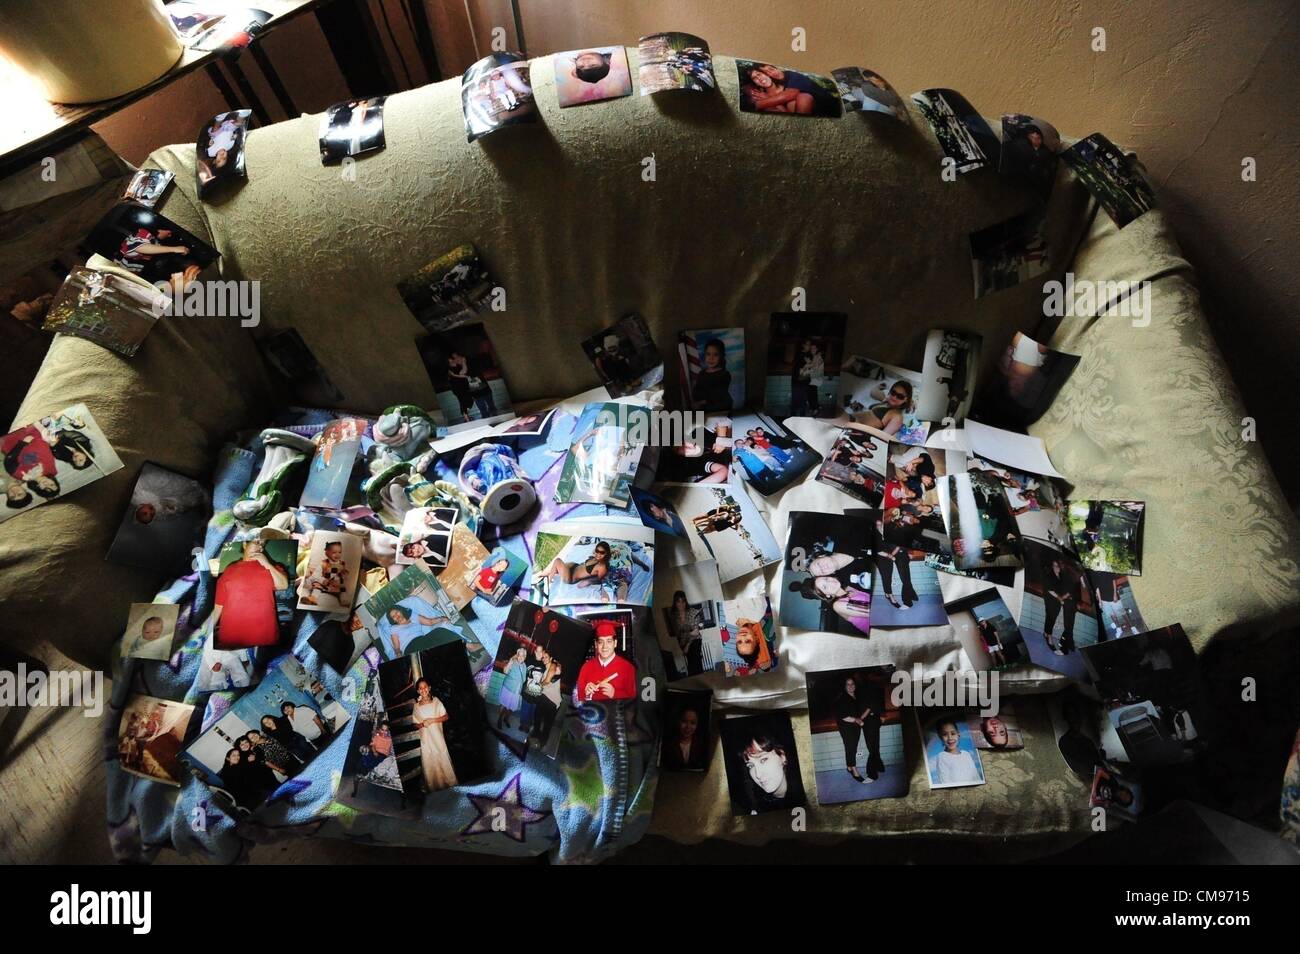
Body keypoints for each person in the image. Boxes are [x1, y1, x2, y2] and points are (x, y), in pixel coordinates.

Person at [212, 539, 290, 648]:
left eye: (262, 546)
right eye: (257, 543)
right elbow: (218, 606)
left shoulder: (274, 568)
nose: (260, 548)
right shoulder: (229, 569)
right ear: (244, 544)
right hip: (230, 637)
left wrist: (266, 563)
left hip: (264, 637)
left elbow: (283, 585)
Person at [835, 674, 886, 782]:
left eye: (852, 683)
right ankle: (855, 770)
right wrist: (858, 720)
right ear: (844, 686)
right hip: (850, 727)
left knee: (869, 747)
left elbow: (872, 703)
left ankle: (870, 770)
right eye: (848, 684)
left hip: (865, 723)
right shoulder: (844, 697)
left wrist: (881, 714)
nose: (850, 686)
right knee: (854, 748)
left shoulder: (858, 694)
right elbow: (842, 715)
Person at [411, 678, 458, 792]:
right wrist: (422, 724)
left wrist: (433, 720)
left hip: (438, 739)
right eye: (420, 688)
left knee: (443, 762)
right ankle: (434, 788)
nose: (423, 690)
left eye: (425, 687)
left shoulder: (436, 701)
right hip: (426, 742)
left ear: (429, 688)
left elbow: (446, 716)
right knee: (430, 765)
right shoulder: (416, 707)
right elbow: (414, 724)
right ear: (418, 691)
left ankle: (451, 787)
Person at [737, 733, 803, 813]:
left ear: (782, 757)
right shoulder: (755, 804)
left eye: (763, 760)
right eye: (750, 765)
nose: (758, 775)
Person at [575, 620, 637, 701]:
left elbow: (635, 702)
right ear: (596, 644)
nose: (604, 647)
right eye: (601, 642)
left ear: (615, 643)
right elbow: (577, 702)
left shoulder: (628, 668)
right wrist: (587, 695)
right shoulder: (586, 668)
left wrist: (615, 694)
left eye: (609, 641)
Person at [1041, 555, 1085, 654]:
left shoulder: (1063, 575)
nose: (1057, 567)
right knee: (1051, 617)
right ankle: (1049, 636)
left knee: (1056, 619)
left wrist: (1066, 598)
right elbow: (1050, 589)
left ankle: (1047, 633)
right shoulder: (1050, 576)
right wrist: (1061, 598)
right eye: (1055, 565)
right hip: (1051, 600)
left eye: (1058, 565)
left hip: (1060, 602)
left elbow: (1070, 589)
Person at [538, 541, 611, 591]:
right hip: (574, 567)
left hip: (571, 577)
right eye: (597, 551)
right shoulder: (597, 557)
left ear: (606, 553)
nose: (598, 554)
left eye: (601, 552)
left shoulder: (602, 567)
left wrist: (588, 582)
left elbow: (600, 579)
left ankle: (547, 585)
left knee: (557, 561)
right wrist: (612, 551)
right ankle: (544, 574)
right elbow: (597, 552)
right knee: (556, 568)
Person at [741, 64, 813, 114]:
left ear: (767, 75)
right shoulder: (760, 95)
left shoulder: (788, 88)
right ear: (755, 83)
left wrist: (767, 99)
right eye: (755, 78)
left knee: (802, 97)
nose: (759, 78)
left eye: (759, 74)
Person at [300, 539, 351, 609]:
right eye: (334, 552)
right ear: (326, 553)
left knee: (344, 590)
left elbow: (346, 575)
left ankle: (344, 601)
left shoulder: (342, 564)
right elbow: (316, 575)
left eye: (340, 552)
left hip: (337, 585)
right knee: (317, 586)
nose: (337, 554)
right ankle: (312, 598)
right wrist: (323, 580)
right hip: (324, 584)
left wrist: (343, 577)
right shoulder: (323, 563)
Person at [931, 717, 982, 785]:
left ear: (958, 734)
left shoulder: (966, 754)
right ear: (940, 737)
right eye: (945, 734)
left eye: (953, 733)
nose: (950, 738)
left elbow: (976, 777)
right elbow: (945, 782)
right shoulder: (942, 757)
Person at [665, 590, 705, 675]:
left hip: (695, 640)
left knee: (695, 662)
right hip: (682, 641)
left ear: (686, 602)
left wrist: (687, 645)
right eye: (678, 601)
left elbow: (696, 633)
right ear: (675, 603)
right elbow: (678, 633)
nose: (681, 604)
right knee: (690, 661)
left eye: (683, 601)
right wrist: (689, 634)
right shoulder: (674, 616)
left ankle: (700, 677)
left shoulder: (692, 612)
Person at [691, 338, 733, 411]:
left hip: (719, 407)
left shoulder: (724, 375)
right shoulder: (702, 373)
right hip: (702, 406)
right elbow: (697, 390)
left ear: (721, 356)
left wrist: (701, 402)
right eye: (708, 354)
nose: (711, 358)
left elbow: (718, 395)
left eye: (715, 355)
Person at [663, 705, 707, 771]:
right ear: (678, 722)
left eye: (692, 723)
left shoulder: (702, 745)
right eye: (684, 721)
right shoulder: (668, 745)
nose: (688, 727)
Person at [496, 647, 528, 729]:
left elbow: (523, 679)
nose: (521, 657)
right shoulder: (513, 662)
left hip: (517, 690)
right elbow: (505, 671)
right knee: (504, 705)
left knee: (511, 707)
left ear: (525, 657)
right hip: (508, 688)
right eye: (519, 655)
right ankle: (499, 719)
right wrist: (510, 660)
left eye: (523, 655)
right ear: (517, 656)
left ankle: (506, 719)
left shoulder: (524, 666)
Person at [445, 351, 476, 420]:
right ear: (448, 363)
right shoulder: (449, 370)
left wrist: (464, 362)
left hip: (464, 386)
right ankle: (466, 417)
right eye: (450, 362)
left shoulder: (459, 366)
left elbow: (463, 372)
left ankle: (466, 414)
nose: (452, 362)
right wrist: (465, 377)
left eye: (452, 360)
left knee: (469, 399)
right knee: (462, 401)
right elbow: (457, 375)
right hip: (457, 388)